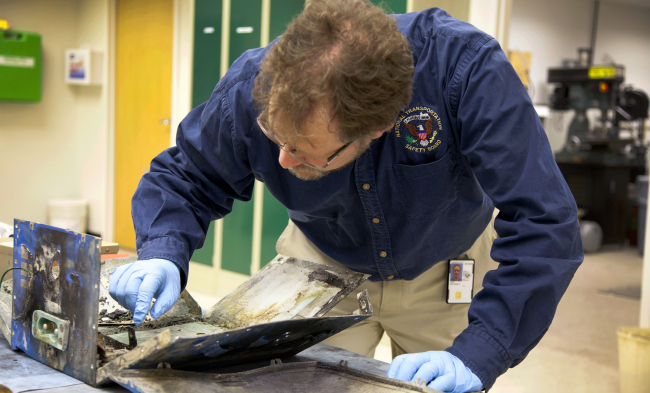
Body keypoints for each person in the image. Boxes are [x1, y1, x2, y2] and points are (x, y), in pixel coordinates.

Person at [108, 1, 583, 391]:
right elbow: (186, 177)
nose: (283, 163)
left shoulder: (466, 69)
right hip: (321, 255)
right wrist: (163, 252)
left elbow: (547, 224)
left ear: (378, 129)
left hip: (444, 263)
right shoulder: (250, 88)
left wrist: (481, 353)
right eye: (277, 140)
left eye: (306, 154)